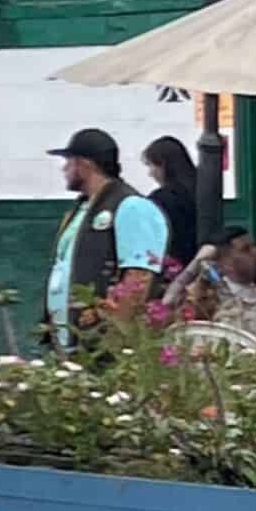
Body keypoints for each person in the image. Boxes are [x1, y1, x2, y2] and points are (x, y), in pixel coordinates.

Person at [45, 126, 168, 347]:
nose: (64, 169)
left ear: (85, 164)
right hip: (70, 341)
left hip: (102, 347)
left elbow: (139, 276)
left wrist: (114, 336)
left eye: (69, 161)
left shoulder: (132, 207)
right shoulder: (81, 209)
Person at [166, 226, 256, 374]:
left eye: (255, 246)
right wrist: (196, 262)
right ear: (225, 261)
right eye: (246, 249)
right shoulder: (207, 293)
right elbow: (167, 305)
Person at [142, 136, 200, 272]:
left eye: (151, 165)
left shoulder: (161, 198)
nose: (150, 173)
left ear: (163, 165)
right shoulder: (201, 189)